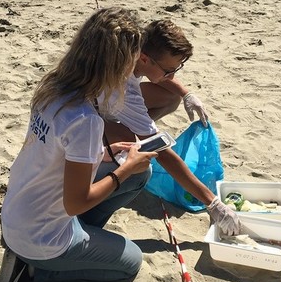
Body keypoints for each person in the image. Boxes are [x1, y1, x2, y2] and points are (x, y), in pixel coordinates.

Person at [0, 7, 157, 282]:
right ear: (118, 64)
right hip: (41, 239)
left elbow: (54, 153)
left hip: (17, 212)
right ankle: (36, 270)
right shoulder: (86, 118)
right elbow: (76, 202)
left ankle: (75, 241)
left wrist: (106, 154)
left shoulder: (55, 86)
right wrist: (123, 170)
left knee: (140, 174)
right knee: (131, 262)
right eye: (131, 62)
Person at [97, 19, 243, 237]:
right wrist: (212, 203)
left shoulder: (133, 46)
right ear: (144, 58)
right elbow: (163, 154)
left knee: (170, 97)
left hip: (110, 103)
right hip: (95, 118)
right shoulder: (126, 91)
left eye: (177, 69)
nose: (172, 76)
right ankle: (131, 132)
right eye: (169, 70)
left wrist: (186, 94)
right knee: (140, 152)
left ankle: (139, 128)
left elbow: (158, 74)